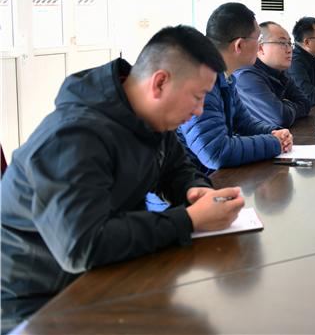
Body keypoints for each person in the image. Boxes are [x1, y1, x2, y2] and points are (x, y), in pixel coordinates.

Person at [0, 26, 245, 331]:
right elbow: (82, 246)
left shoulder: (149, 118)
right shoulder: (72, 137)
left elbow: (176, 169)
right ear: (159, 83)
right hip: (38, 305)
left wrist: (194, 190)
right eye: (197, 97)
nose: (199, 111)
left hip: (103, 276)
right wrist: (189, 220)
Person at [178, 3, 293, 174]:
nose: (260, 47)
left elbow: (245, 123)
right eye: (258, 40)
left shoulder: (224, 76)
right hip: (186, 185)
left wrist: (274, 132)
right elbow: (216, 152)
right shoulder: (199, 80)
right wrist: (274, 143)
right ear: (239, 45)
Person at [234, 21, 311, 128]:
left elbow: (306, 103)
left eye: (290, 44)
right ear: (260, 48)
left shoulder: (280, 72)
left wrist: (284, 105)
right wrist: (286, 105)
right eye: (282, 43)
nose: (289, 50)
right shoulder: (246, 76)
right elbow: (280, 117)